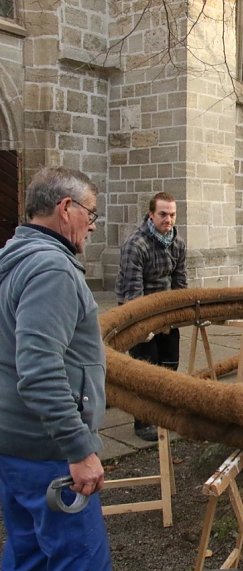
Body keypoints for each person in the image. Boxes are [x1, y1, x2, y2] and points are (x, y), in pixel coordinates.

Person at [0, 166, 111, 569]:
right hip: (49, 453)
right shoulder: (52, 269)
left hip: (16, 446)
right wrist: (78, 448)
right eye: (92, 214)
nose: (93, 226)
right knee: (80, 560)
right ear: (66, 208)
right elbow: (39, 369)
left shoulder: (13, 258)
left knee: (27, 556)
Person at [115, 192, 187, 441]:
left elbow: (180, 283)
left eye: (172, 214)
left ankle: (164, 415)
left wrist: (180, 315)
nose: (168, 219)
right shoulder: (136, 245)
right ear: (151, 214)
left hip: (166, 313)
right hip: (139, 312)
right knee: (145, 369)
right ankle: (143, 421)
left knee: (169, 364)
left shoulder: (178, 243)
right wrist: (142, 327)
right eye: (163, 214)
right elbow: (133, 293)